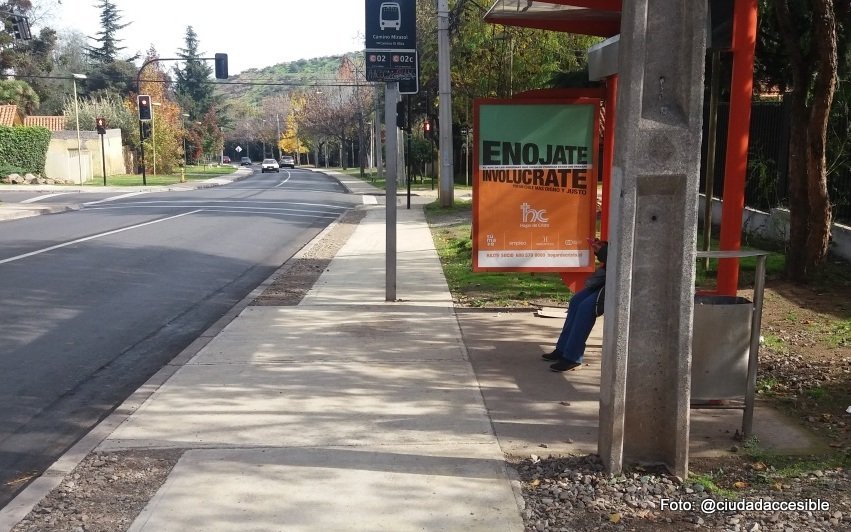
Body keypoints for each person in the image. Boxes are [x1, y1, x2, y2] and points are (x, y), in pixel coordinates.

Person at [543, 239, 608, 372]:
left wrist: (602, 251)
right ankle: (563, 349)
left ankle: (573, 357)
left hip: (618, 280)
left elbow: (624, 257)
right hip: (608, 277)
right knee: (576, 301)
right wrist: (603, 248)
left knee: (586, 308)